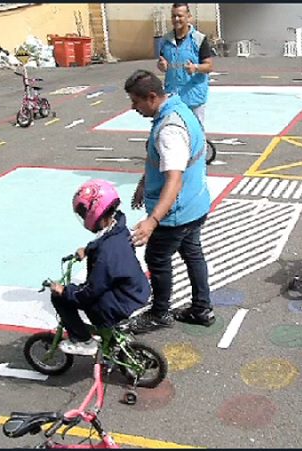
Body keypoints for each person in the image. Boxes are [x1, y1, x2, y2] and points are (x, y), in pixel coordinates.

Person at [125, 70, 215, 329]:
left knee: (157, 259)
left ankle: (159, 313)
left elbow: (174, 180)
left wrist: (152, 221)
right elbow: (162, 162)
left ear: (152, 97)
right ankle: (201, 309)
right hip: (196, 204)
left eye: (135, 102)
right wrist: (144, 183)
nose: (133, 107)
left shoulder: (169, 130)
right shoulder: (179, 108)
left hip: (176, 213)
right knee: (192, 253)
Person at [49, 179, 152, 356]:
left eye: (83, 213)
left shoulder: (105, 256)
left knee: (61, 299)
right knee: (78, 292)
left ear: (94, 211)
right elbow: (105, 242)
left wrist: (65, 292)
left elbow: (92, 291)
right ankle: (109, 341)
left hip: (120, 302)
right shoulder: (119, 227)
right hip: (135, 289)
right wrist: (88, 250)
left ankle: (83, 340)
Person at [157, 3, 214, 125]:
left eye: (180, 16)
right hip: (173, 97)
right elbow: (162, 63)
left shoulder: (199, 39)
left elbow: (209, 66)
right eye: (173, 16)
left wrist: (196, 68)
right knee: (174, 131)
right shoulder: (165, 40)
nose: (176, 19)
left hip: (193, 97)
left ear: (188, 16)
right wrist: (162, 66)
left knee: (196, 134)